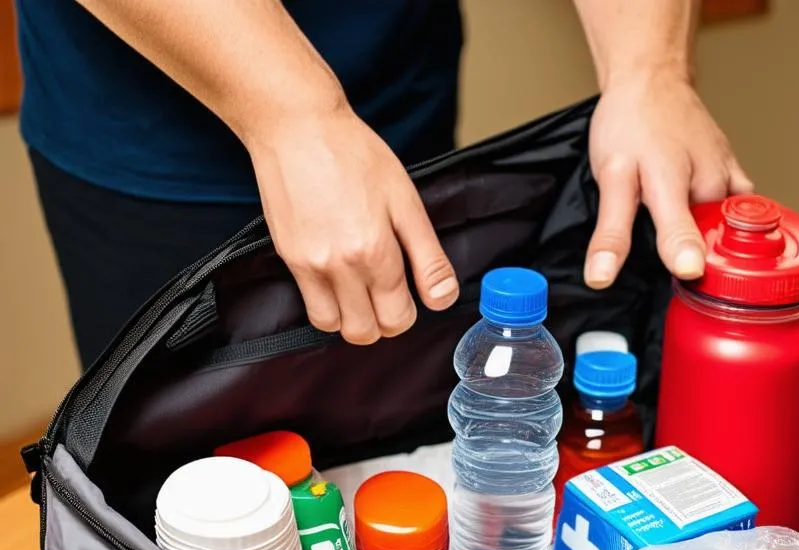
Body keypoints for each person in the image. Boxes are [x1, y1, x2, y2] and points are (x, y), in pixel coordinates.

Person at [17, 0, 752, 369]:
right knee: (185, 528)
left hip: (395, 92)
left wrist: (649, 69)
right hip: (151, 131)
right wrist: (293, 114)